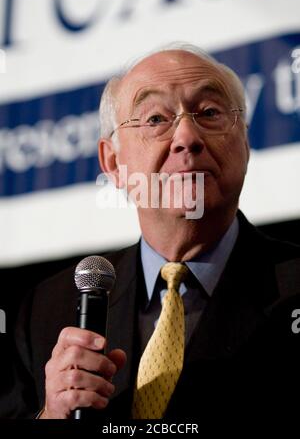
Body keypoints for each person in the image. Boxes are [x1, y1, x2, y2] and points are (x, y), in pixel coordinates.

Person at [2, 43, 300, 421]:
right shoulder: (48, 310)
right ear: (113, 161)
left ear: (244, 142)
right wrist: (52, 415)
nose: (187, 136)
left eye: (209, 112)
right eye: (156, 119)